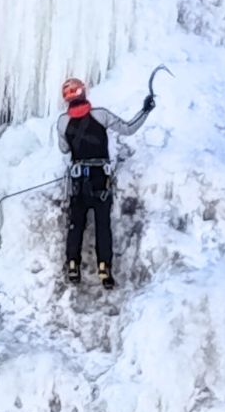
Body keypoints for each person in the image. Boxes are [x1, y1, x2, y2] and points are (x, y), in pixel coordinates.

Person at [56, 77, 155, 288]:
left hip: (78, 180)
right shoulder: (100, 115)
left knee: (77, 223)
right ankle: (104, 268)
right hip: (100, 177)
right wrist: (146, 110)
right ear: (84, 93)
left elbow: (64, 149)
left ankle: (73, 264)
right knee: (103, 225)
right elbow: (128, 128)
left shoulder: (63, 122)